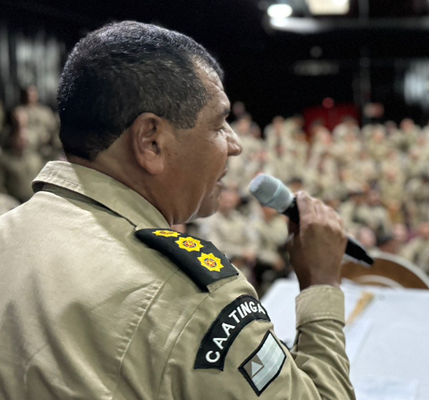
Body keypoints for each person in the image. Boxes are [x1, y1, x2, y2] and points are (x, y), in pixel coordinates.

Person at [0, 22, 354, 399]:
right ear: (151, 141)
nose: (234, 145)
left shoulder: (9, 232)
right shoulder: (191, 300)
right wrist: (321, 285)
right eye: (219, 124)